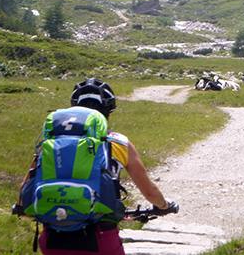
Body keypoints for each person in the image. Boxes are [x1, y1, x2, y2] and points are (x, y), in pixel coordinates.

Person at [14, 78, 178, 254]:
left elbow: (25, 191)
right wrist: (163, 206)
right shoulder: (119, 142)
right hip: (101, 239)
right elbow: (150, 192)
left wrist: (20, 207)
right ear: (108, 113)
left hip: (53, 239)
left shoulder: (49, 143)